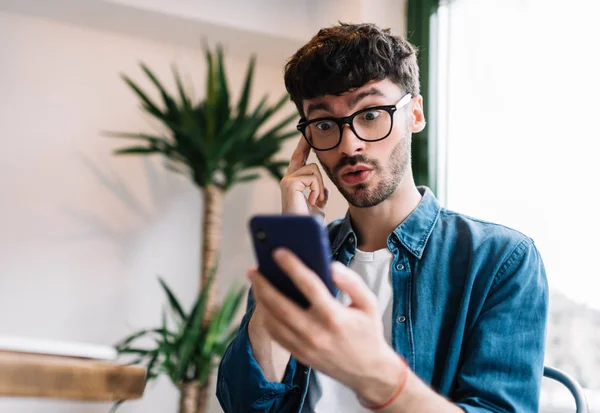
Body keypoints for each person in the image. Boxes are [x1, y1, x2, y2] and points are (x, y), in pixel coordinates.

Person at [216, 22, 548, 413]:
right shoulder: (299, 254)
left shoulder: (499, 260)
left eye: (371, 113)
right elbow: (244, 404)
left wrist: (378, 377)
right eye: (325, 124)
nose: (349, 143)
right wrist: (295, 241)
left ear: (416, 114)